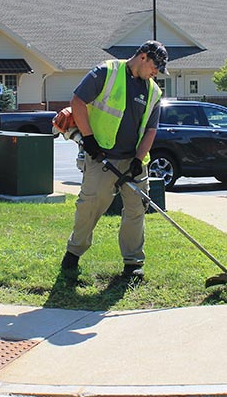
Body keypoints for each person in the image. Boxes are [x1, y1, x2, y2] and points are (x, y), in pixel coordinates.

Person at [61, 40, 168, 279]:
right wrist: (89, 140)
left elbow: (151, 130)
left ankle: (133, 264)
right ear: (143, 56)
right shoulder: (106, 73)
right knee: (90, 206)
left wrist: (138, 160)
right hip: (100, 157)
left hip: (133, 162)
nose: (156, 72)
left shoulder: (153, 91)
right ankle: (73, 253)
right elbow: (77, 102)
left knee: (136, 210)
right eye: (155, 66)